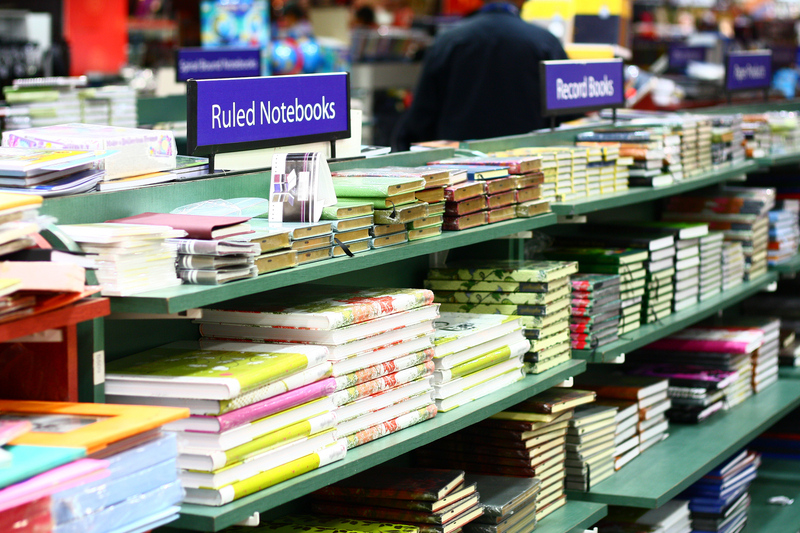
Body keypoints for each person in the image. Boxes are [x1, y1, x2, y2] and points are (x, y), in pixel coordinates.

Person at [392, 0, 568, 151]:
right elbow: (566, 114)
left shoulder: (448, 40)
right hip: (527, 165)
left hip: (459, 171)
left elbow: (421, 116)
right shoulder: (545, 42)